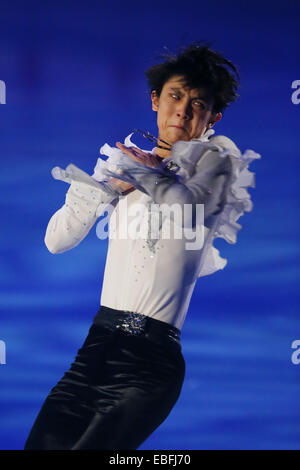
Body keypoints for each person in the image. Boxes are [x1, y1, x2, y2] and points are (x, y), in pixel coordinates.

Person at [24, 42, 261, 450]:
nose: (183, 110)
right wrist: (103, 190)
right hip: (94, 351)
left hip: (149, 365)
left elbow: (189, 212)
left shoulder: (216, 167)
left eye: (198, 103)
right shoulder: (124, 162)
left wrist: (148, 174)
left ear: (212, 118)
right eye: (175, 96)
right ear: (156, 100)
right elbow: (56, 241)